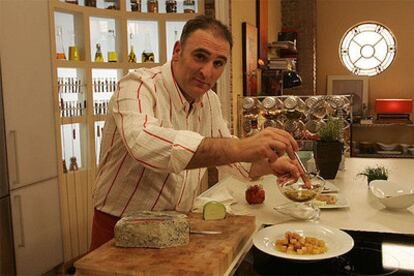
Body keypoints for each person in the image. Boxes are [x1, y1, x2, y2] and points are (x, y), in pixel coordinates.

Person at [90, 15, 301, 251]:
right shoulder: (137, 85)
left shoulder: (209, 100)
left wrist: (268, 165)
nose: (207, 72)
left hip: (176, 225)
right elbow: (143, 144)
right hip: (119, 225)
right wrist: (241, 147)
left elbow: (229, 156)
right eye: (200, 56)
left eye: (218, 63)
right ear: (177, 50)